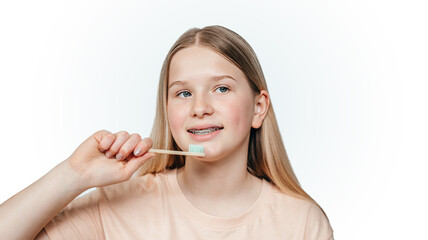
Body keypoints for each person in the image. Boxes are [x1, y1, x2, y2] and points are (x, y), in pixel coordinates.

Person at [0, 25, 334, 240]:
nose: (199, 107)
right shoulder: (115, 205)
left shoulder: (302, 222)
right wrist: (73, 175)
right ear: (168, 109)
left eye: (221, 89)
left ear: (258, 108)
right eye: (183, 93)